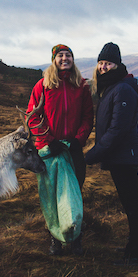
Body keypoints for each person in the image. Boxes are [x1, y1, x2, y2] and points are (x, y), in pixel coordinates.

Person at [26, 44, 94, 256]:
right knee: (52, 195)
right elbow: (33, 116)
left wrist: (79, 139)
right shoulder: (42, 85)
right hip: (50, 150)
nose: (65, 59)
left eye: (69, 55)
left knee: (74, 194)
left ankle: (75, 239)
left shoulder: (81, 86)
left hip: (72, 149)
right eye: (61, 56)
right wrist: (48, 139)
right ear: (54, 60)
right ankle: (55, 239)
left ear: (73, 59)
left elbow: (87, 116)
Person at [85, 42, 138, 266]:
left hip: (124, 157)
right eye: (101, 63)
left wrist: (91, 156)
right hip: (119, 157)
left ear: (117, 64)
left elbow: (117, 130)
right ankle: (133, 247)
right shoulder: (111, 87)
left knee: (133, 205)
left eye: (108, 63)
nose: (103, 67)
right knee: (130, 204)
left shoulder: (122, 89)